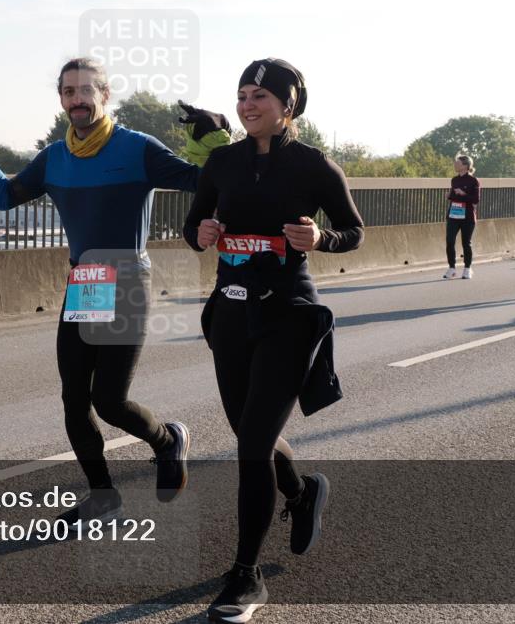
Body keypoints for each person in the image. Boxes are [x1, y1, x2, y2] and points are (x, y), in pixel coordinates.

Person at [0, 57, 230, 526]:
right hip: (86, 283)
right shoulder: (55, 156)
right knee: (74, 399)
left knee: (109, 399)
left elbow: (202, 180)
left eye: (86, 91)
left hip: (127, 280)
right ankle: (103, 496)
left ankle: (168, 439)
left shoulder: (137, 148)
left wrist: (214, 142)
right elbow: (6, 197)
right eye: (68, 92)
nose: (77, 100)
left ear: (104, 96)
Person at [183, 58, 364, 624]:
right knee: (248, 432)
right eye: (241, 95)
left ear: (288, 106)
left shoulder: (314, 167)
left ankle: (245, 575)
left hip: (288, 312)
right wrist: (201, 233)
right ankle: (302, 491)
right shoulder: (221, 161)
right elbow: (193, 226)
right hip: (231, 311)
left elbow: (354, 232)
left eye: (260, 95)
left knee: (253, 443)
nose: (247, 104)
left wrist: (321, 237)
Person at [444, 155, 481, 279]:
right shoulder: (454, 180)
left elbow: (476, 200)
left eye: (457, 163)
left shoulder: (473, 181)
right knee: (450, 241)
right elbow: (453, 196)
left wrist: (463, 194)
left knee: (466, 243)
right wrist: (449, 195)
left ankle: (467, 268)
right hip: (454, 215)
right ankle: (452, 268)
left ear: (465, 166)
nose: (455, 165)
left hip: (467, 217)